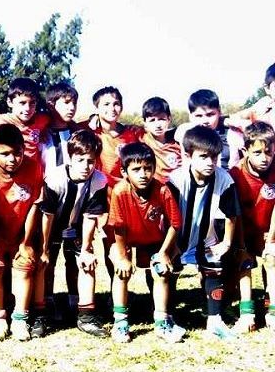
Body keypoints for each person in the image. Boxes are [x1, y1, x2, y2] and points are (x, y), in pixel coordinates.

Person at [167, 126, 241, 341]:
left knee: (214, 265)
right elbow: (167, 214)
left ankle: (215, 320)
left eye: (214, 157)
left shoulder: (224, 179)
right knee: (168, 271)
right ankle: (168, 317)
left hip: (206, 237)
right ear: (188, 155)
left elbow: (231, 214)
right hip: (178, 238)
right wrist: (168, 247)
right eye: (203, 157)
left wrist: (226, 242)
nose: (210, 162)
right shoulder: (175, 179)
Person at [107, 142, 185, 343]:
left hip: (154, 240)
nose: (143, 174)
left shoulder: (162, 190)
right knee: (121, 270)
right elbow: (119, 227)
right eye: (136, 169)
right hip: (126, 239)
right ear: (125, 172)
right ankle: (120, 323)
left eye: (148, 168)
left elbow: (175, 223)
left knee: (161, 270)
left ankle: (162, 322)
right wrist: (123, 257)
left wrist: (164, 252)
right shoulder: (119, 191)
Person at [0, 123, 43, 341]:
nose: (12, 159)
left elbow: (34, 205)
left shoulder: (33, 167)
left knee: (24, 265)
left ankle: (20, 319)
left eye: (17, 153)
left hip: (22, 230)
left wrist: (26, 241)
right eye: (5, 154)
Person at [38, 130, 108, 336]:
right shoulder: (55, 178)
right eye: (80, 160)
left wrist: (86, 249)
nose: (86, 166)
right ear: (70, 158)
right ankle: (45, 308)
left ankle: (84, 312)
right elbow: (47, 215)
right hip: (52, 226)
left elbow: (90, 216)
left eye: (91, 161)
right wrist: (43, 248)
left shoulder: (99, 180)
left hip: (76, 226)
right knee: (45, 264)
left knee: (85, 263)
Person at [229, 122, 275, 333]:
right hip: (244, 230)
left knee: (272, 259)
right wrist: (240, 245)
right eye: (257, 152)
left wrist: (272, 238)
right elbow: (234, 213)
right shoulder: (235, 175)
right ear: (245, 151)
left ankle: (271, 308)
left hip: (270, 230)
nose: (264, 158)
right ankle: (246, 312)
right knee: (244, 263)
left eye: (268, 152)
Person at [174, 89, 244, 170]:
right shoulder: (184, 132)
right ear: (190, 116)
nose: (205, 121)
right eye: (199, 116)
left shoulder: (233, 133)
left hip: (228, 180)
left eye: (210, 115)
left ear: (219, 111)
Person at [0, 77, 50, 161]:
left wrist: (44, 131)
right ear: (10, 102)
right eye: (22, 103)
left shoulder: (41, 120)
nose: (27, 108)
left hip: (32, 171)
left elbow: (59, 120)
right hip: (8, 169)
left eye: (32, 103)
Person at [140, 97, 181, 183]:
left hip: (177, 190)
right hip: (154, 190)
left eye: (161, 119)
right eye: (152, 120)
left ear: (169, 119)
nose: (158, 125)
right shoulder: (141, 140)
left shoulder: (178, 143)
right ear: (145, 123)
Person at [40, 82, 81, 169]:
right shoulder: (41, 135)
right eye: (66, 102)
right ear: (51, 105)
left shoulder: (78, 133)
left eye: (74, 103)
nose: (72, 108)